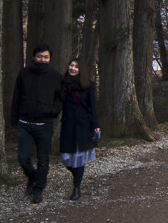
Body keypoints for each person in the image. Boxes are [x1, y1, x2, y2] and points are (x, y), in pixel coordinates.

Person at [10, 43, 63, 204]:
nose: (42, 59)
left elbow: (60, 100)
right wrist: (14, 119)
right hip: (25, 123)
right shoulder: (24, 73)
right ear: (34, 57)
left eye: (46, 57)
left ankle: (38, 189)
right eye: (40, 56)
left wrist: (52, 112)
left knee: (43, 159)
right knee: (23, 157)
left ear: (50, 59)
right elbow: (16, 97)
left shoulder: (56, 76)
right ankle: (32, 177)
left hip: (45, 124)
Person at [60, 57, 101, 201]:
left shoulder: (88, 85)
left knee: (81, 158)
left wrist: (96, 125)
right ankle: (76, 177)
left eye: (76, 67)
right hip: (67, 125)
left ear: (80, 70)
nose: (72, 68)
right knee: (65, 158)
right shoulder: (63, 85)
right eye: (71, 65)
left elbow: (93, 107)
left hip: (84, 126)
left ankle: (76, 188)